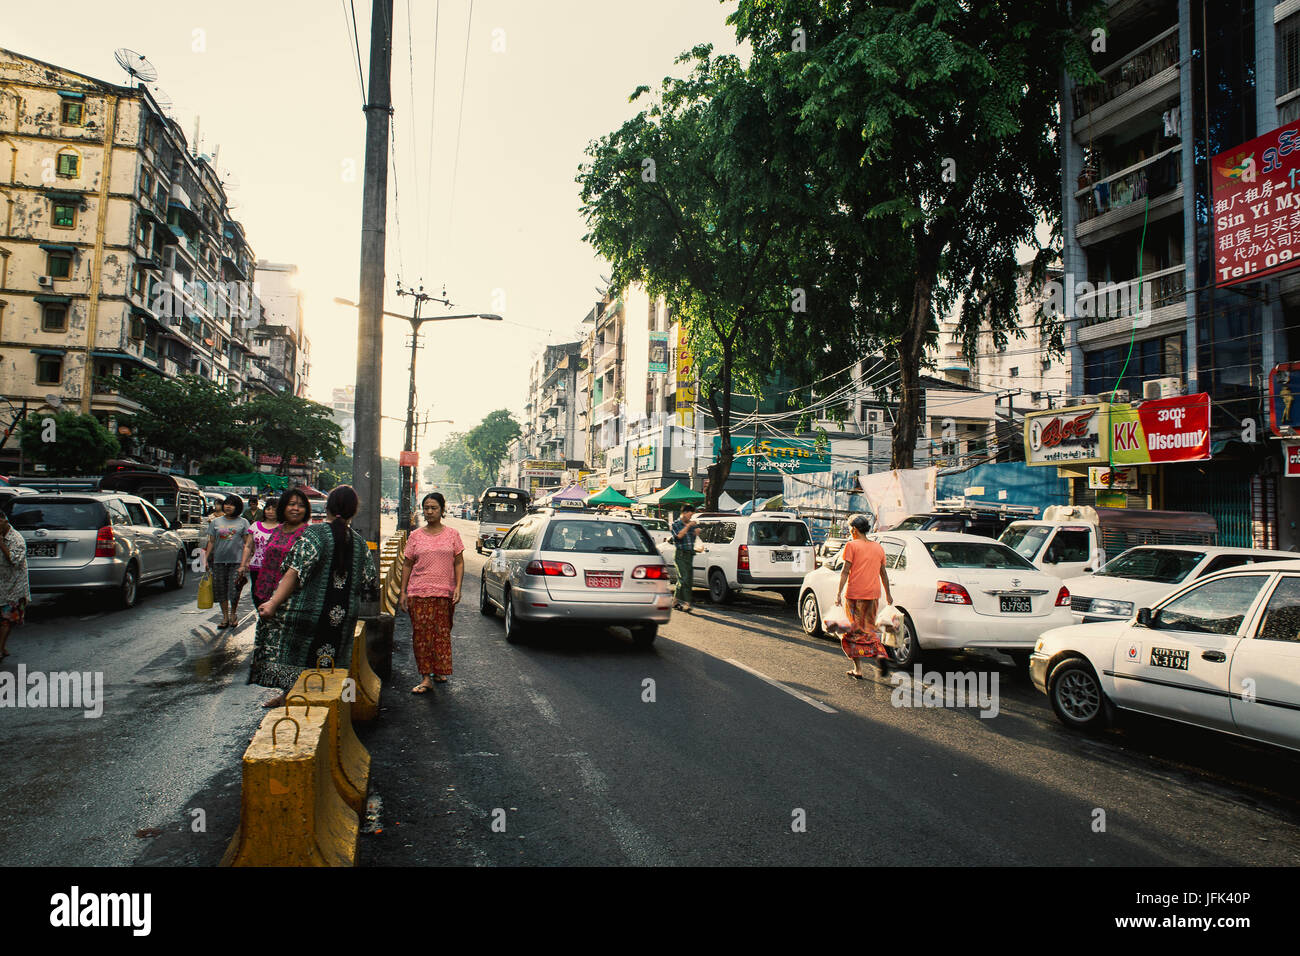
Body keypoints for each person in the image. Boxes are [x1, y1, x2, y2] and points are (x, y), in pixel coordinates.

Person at [256, 485, 379, 699]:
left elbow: (293, 572)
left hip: (308, 612)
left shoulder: (314, 534)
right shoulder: (360, 543)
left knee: (300, 657)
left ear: (328, 508)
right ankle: (333, 702)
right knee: (331, 662)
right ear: (353, 511)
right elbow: (369, 582)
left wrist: (273, 603)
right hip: (342, 618)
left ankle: (290, 696)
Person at [247, 488, 311, 706]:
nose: (296, 508)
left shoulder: (307, 534)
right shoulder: (277, 531)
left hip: (292, 598)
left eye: (300, 505)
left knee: (291, 648)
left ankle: (291, 694)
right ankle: (284, 691)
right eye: (292, 504)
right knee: (273, 647)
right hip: (266, 594)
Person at [399, 492, 465, 692]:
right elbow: (407, 564)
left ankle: (438, 669)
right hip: (418, 593)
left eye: (433, 507)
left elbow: (459, 561)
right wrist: (403, 592)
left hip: (444, 593)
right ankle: (425, 677)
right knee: (422, 635)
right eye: (426, 507)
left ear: (442, 510)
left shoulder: (453, 534)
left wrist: (458, 587)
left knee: (442, 634)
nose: (429, 511)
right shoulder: (415, 536)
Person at [836, 514, 894, 679]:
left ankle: (858, 669)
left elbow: (845, 571)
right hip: (873, 595)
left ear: (854, 530)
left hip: (855, 595)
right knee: (868, 630)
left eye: (849, 529)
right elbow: (883, 574)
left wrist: (838, 593)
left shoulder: (851, 546)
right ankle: (880, 656)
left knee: (852, 632)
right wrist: (888, 595)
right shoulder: (878, 547)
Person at [204, 494, 252, 630]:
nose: (228, 506)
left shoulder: (243, 522)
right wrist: (205, 558)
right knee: (221, 590)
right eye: (226, 504)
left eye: (232, 504)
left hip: (237, 562)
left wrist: (246, 562)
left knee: (234, 590)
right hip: (218, 562)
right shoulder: (215, 522)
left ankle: (233, 614)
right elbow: (211, 542)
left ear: (237, 507)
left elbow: (247, 543)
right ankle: (225, 617)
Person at [0, 510, 29, 660]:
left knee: (7, 619)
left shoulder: (16, 539)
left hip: (14, 587)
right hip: (1, 585)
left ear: (5, 520)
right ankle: (2, 647)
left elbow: (14, 560)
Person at [239, 497, 280, 597]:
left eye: (274, 509)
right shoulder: (255, 526)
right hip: (256, 566)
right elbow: (248, 546)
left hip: (275, 568)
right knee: (256, 593)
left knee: (273, 594)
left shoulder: (282, 528)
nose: (270, 512)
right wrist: (243, 565)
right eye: (268, 509)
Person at [670, 503, 699, 612]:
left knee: (687, 578)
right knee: (684, 578)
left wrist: (697, 531)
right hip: (680, 554)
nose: (691, 518)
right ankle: (687, 603)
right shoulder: (675, 524)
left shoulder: (691, 524)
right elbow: (679, 536)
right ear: (684, 513)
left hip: (690, 554)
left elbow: (695, 535)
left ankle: (675, 601)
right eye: (690, 515)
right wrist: (688, 526)